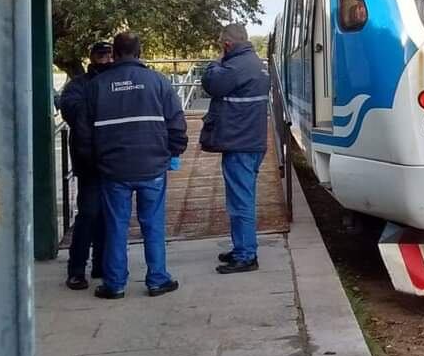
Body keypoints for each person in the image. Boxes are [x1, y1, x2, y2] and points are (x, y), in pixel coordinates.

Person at [75, 31, 187, 299]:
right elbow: (176, 121)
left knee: (116, 226)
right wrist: (173, 151)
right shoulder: (158, 81)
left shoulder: (97, 86)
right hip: (153, 166)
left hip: (113, 170)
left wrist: (95, 161)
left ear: (115, 52)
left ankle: (114, 285)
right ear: (139, 52)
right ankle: (158, 279)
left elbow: (83, 132)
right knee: (153, 224)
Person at [201, 23, 270, 274]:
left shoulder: (235, 66)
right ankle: (241, 246)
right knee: (241, 198)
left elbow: (211, 84)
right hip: (251, 141)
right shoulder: (254, 63)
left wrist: (214, 63)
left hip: (240, 144)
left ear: (227, 44)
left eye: (222, 46)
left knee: (241, 202)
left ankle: (246, 255)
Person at [58, 41, 113, 290]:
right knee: (89, 214)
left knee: (108, 215)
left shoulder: (113, 82)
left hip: (113, 159)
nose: (105, 59)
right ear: (92, 57)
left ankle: (102, 263)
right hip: (89, 161)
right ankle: (77, 269)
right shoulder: (78, 85)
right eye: (100, 55)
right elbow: (71, 110)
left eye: (109, 55)